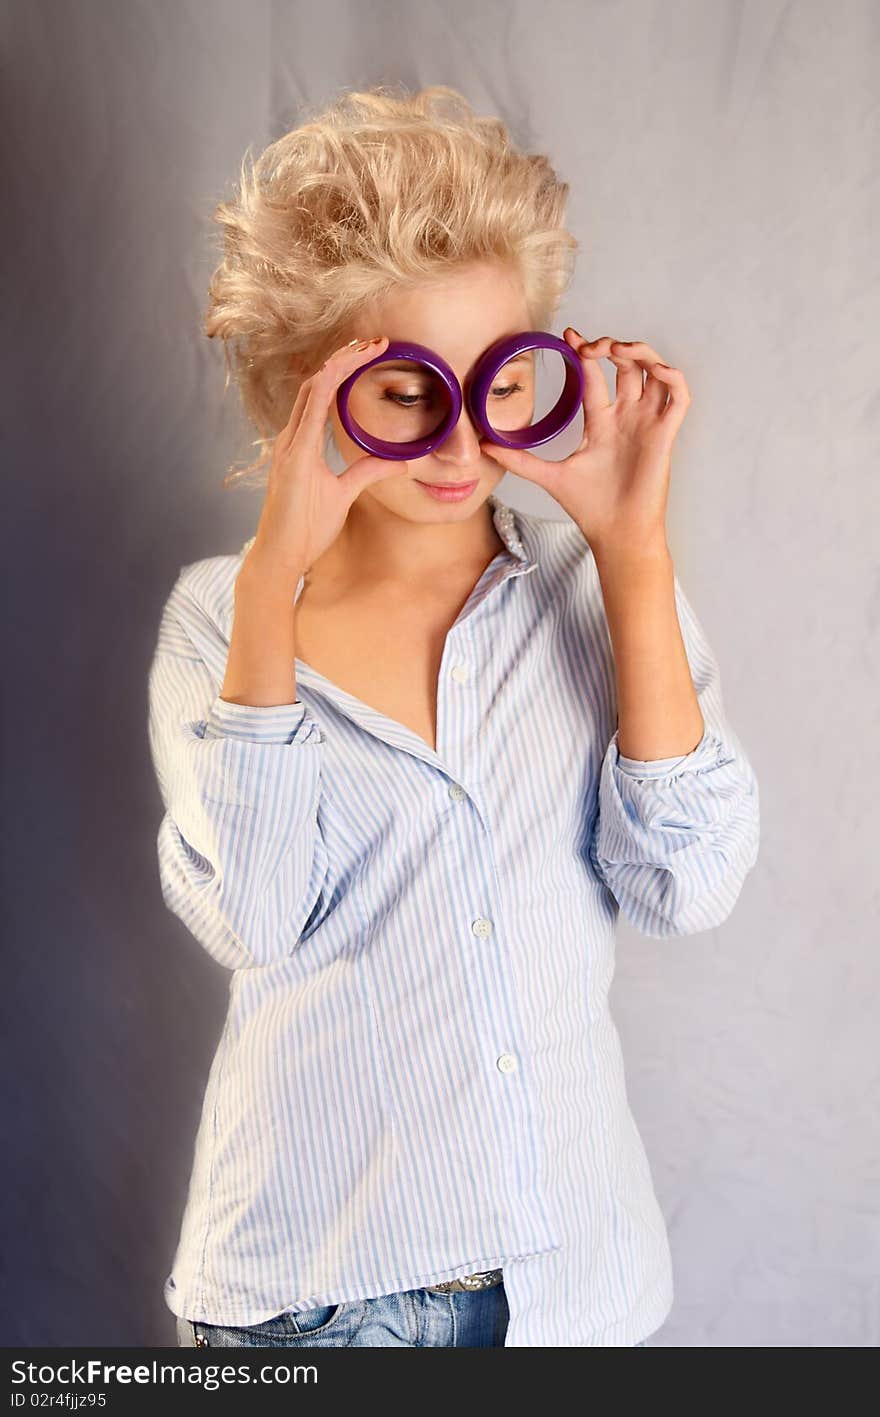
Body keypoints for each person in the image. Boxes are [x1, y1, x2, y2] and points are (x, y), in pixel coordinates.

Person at [148, 84, 760, 1349]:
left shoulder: (595, 594)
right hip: (311, 1295)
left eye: (493, 377)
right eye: (405, 388)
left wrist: (630, 544)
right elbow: (257, 917)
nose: (456, 438)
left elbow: (686, 882)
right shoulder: (219, 619)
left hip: (568, 1282)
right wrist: (276, 574)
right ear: (305, 388)